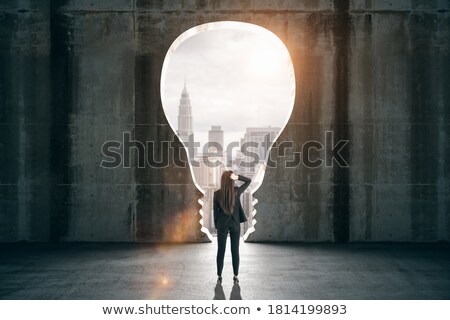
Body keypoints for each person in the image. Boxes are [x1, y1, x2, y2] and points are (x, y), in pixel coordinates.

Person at [213, 170, 251, 284]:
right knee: (235, 250)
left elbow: (215, 213)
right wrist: (238, 177)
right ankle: (235, 276)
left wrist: (217, 225)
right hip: (235, 224)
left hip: (222, 224)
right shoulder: (237, 191)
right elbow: (248, 181)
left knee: (221, 250)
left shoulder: (217, 194)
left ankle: (219, 276)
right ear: (231, 180)